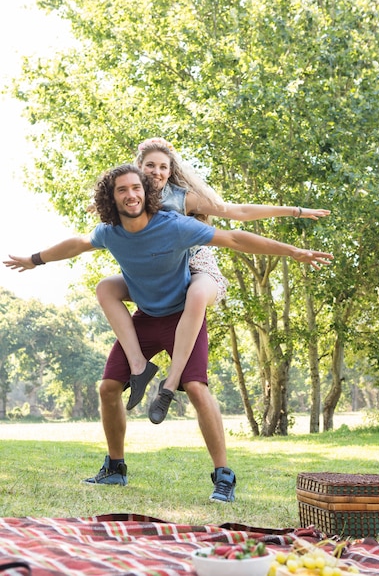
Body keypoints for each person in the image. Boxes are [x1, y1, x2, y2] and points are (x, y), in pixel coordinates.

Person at [4, 164, 333, 501]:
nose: (131, 195)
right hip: (146, 318)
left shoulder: (174, 225)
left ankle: (224, 476)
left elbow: (233, 238)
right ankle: (115, 468)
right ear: (111, 198)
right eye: (122, 190)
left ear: (147, 193)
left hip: (182, 318)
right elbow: (76, 244)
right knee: (107, 387)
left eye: (136, 188)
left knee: (195, 387)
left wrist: (292, 251)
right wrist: (35, 259)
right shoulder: (110, 232)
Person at [95, 137, 331, 421]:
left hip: (195, 266)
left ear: (170, 171)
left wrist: (295, 212)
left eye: (163, 167)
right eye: (150, 166)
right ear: (138, 168)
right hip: (157, 275)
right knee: (106, 287)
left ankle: (169, 386)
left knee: (196, 295)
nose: (156, 172)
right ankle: (138, 367)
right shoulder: (130, 200)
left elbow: (238, 213)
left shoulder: (182, 198)